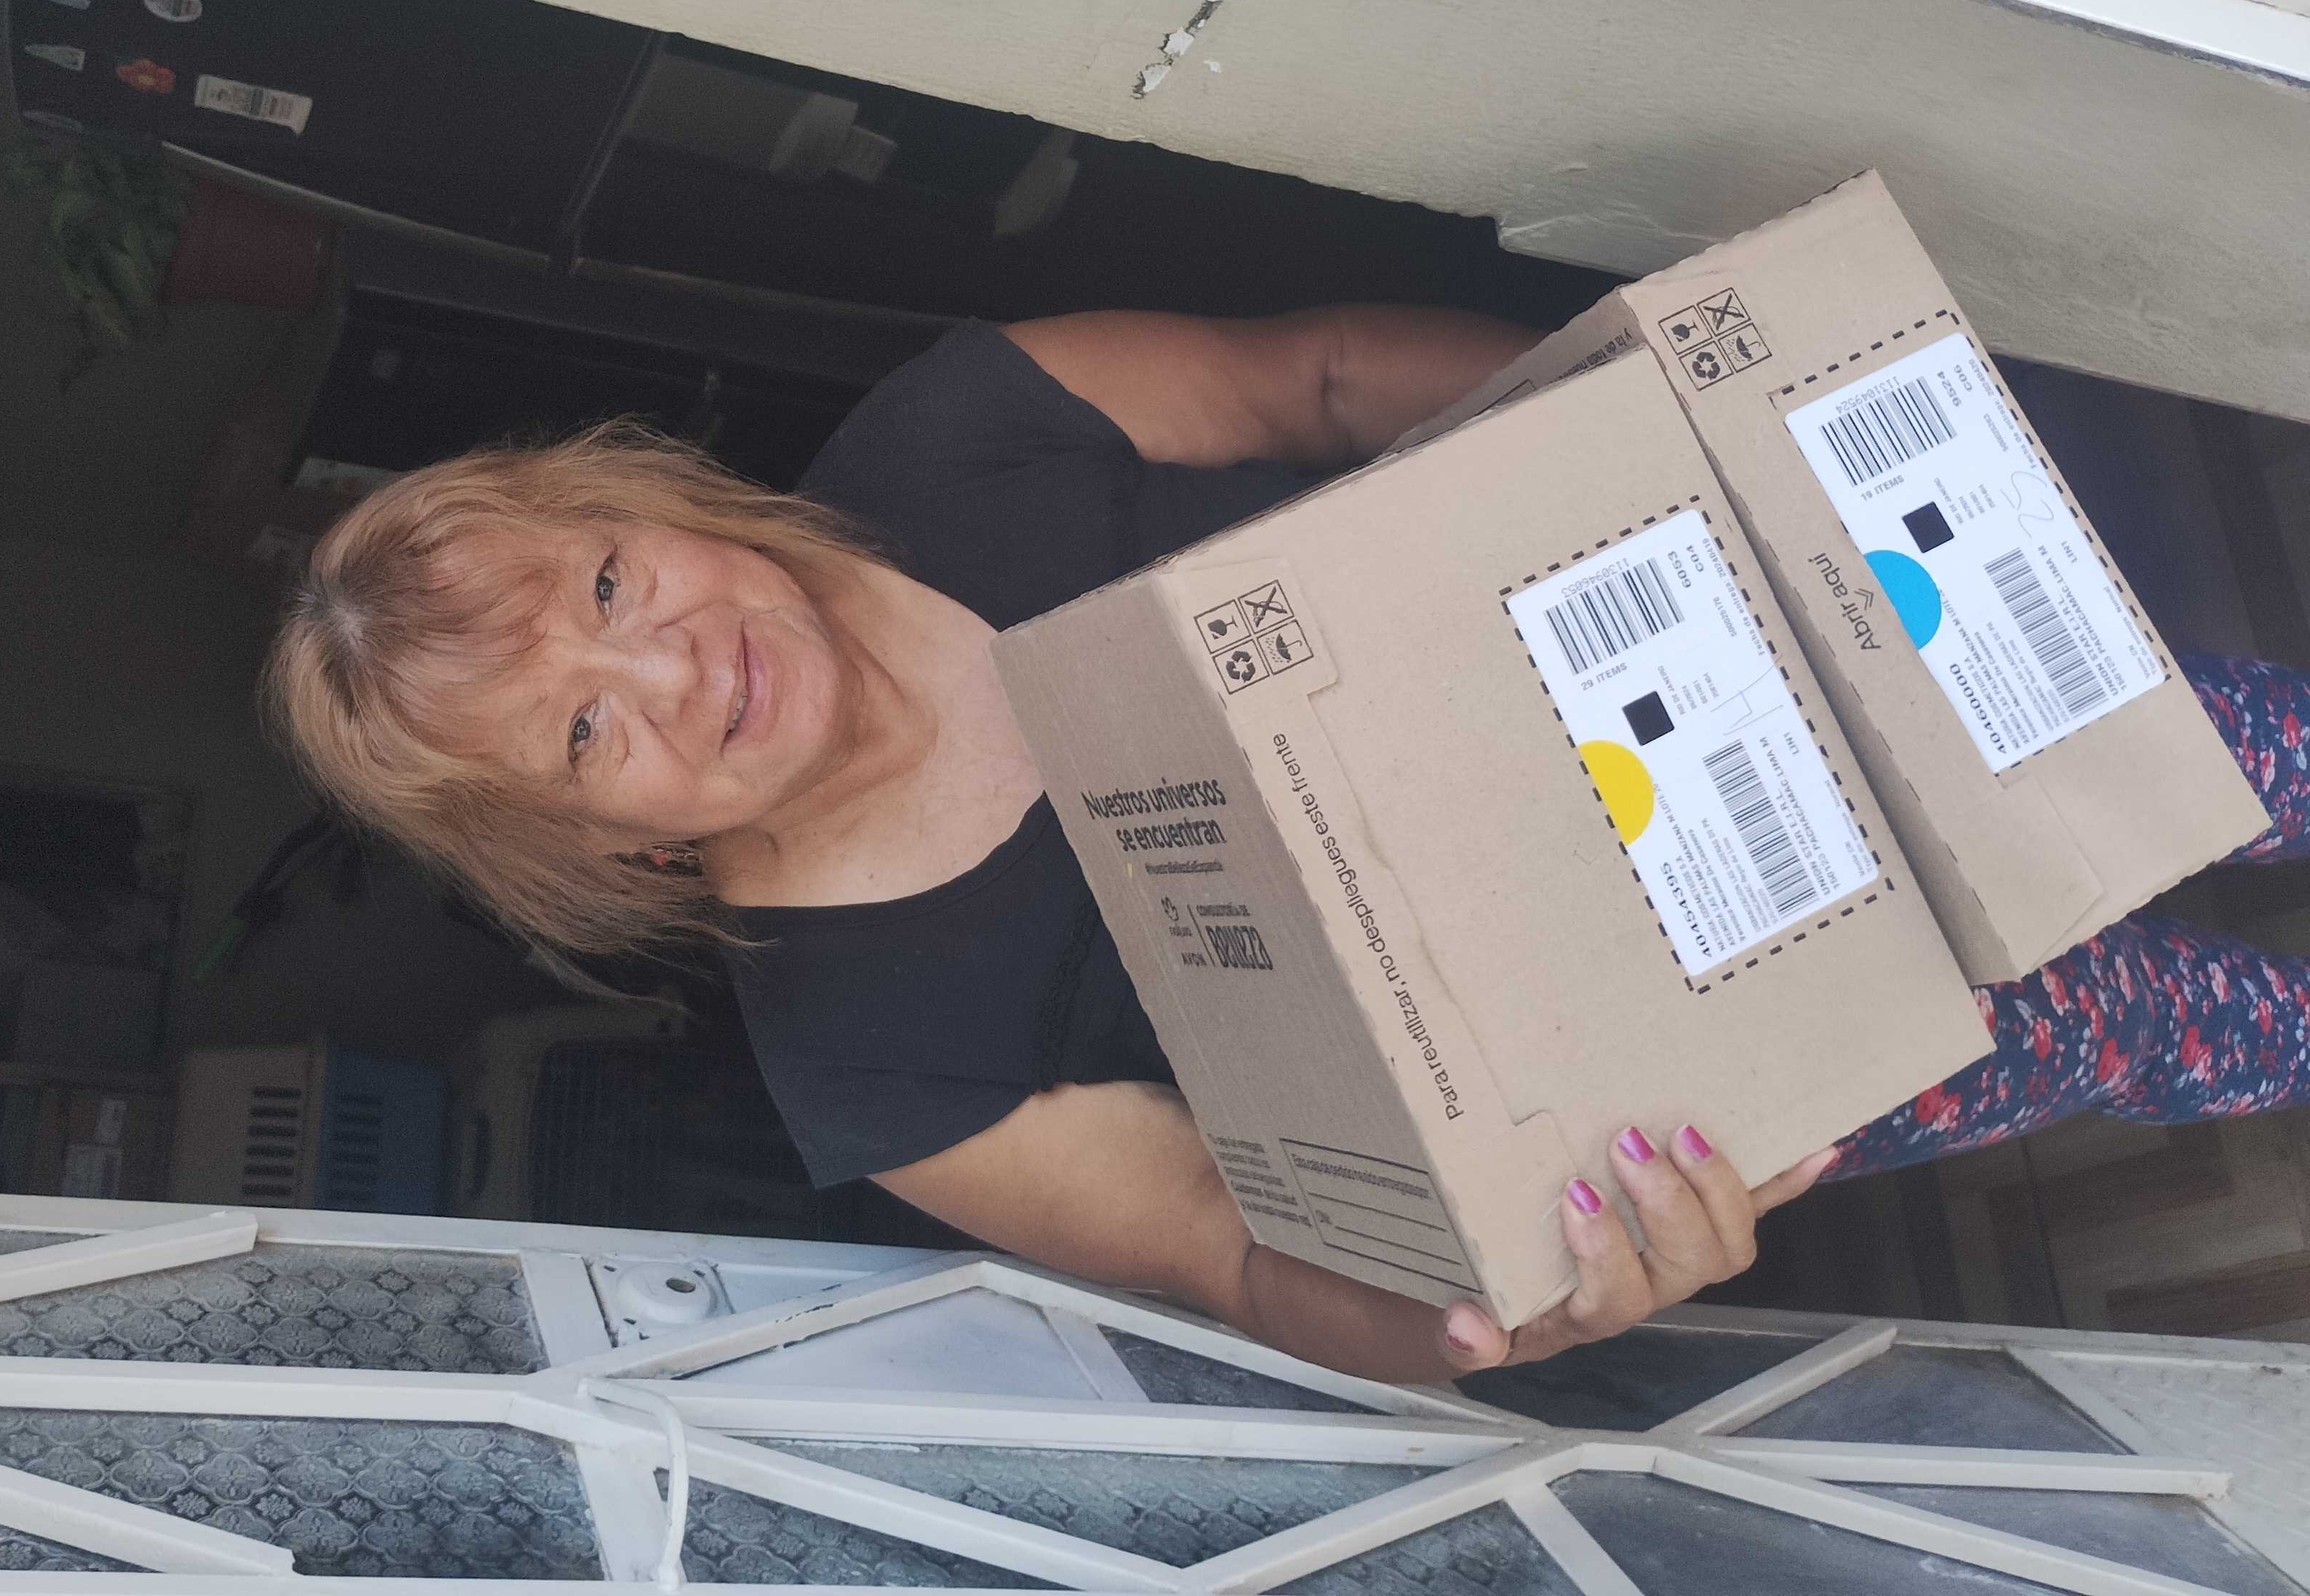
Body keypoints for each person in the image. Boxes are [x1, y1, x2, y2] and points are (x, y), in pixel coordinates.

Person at [265, 309, 2310, 1383]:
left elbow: (1319, 377)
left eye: (611, 582)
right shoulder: (874, 1064)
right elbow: (1240, 1261)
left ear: (648, 501)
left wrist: (1645, 428)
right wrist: (1535, 1308)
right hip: (1756, 1032)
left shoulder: (957, 434)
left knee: (2236, 752)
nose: (671, 667)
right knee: (2199, 1027)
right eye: (583, 733)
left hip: (1791, 667)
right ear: (584, 847)